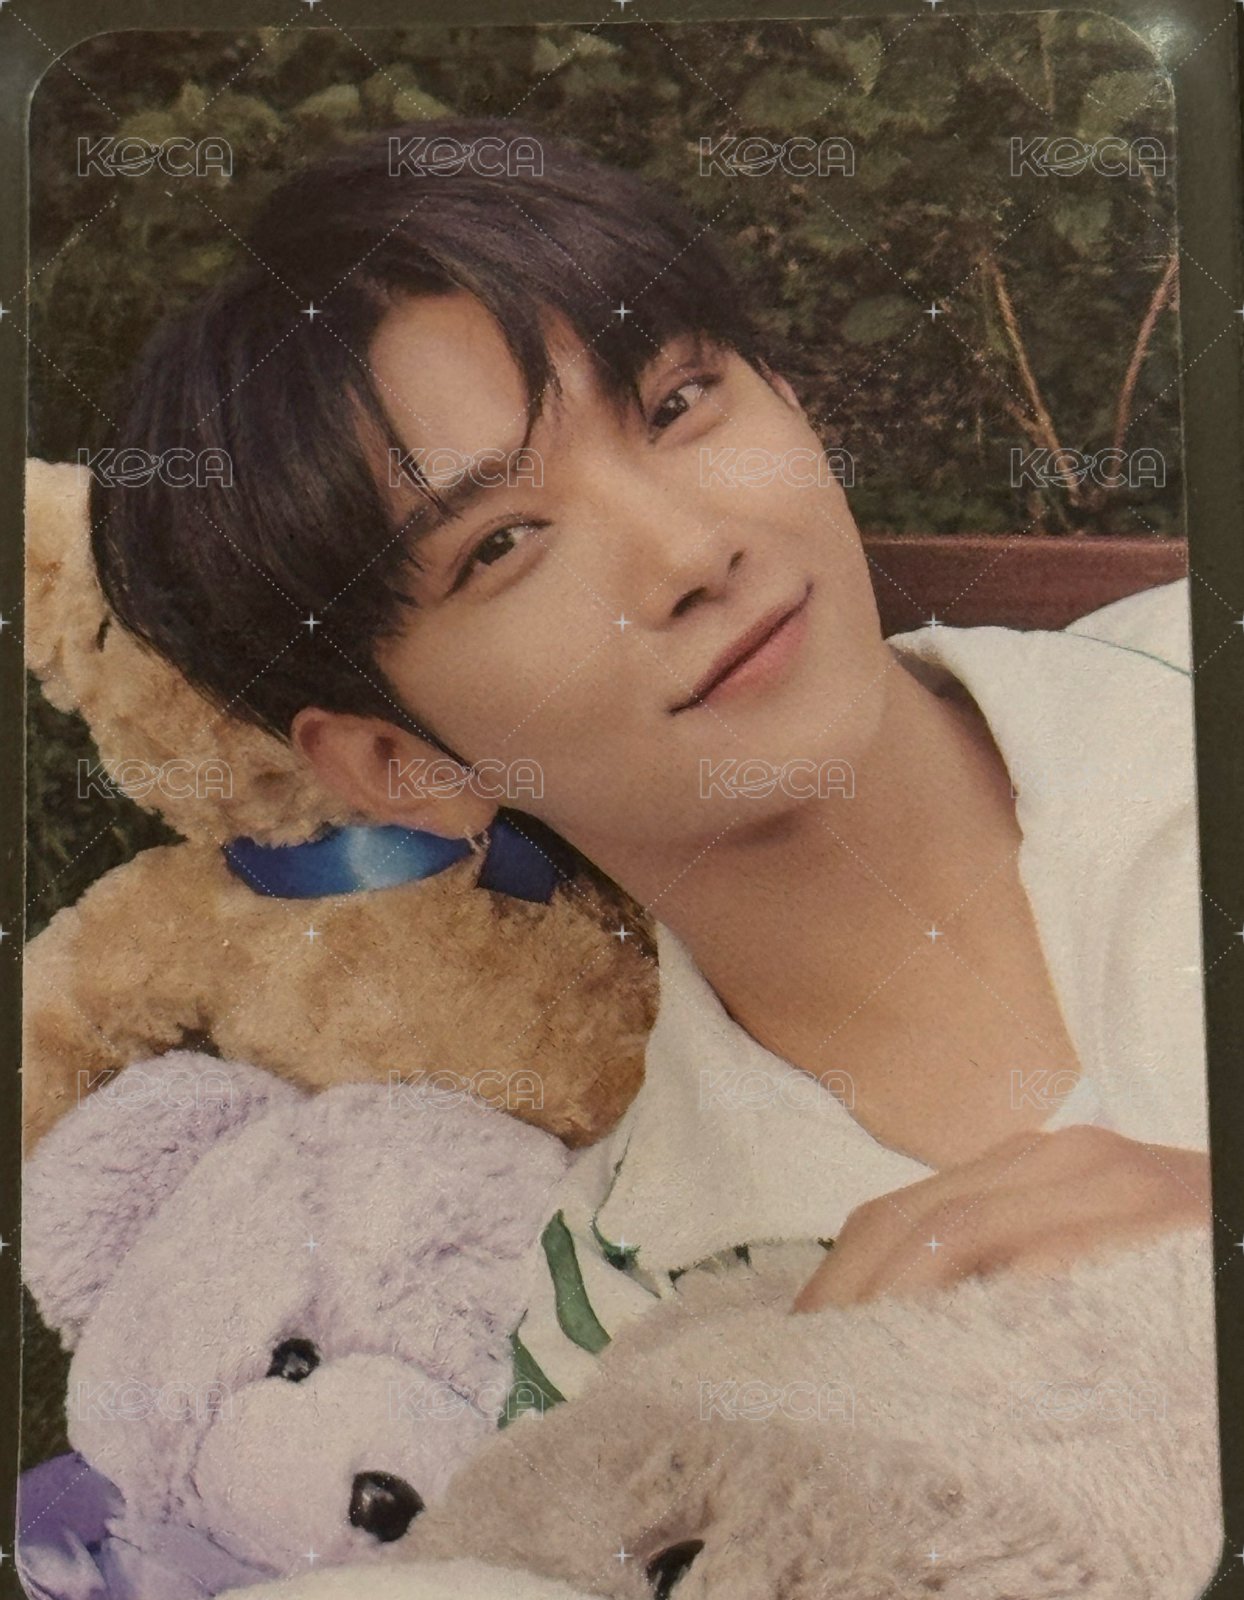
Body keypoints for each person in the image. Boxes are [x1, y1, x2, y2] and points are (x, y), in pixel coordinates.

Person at [90, 120, 1212, 1414]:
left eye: (678, 404)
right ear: (399, 766)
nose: (689, 552)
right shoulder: (620, 1341)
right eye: (504, 543)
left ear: (786, 395)